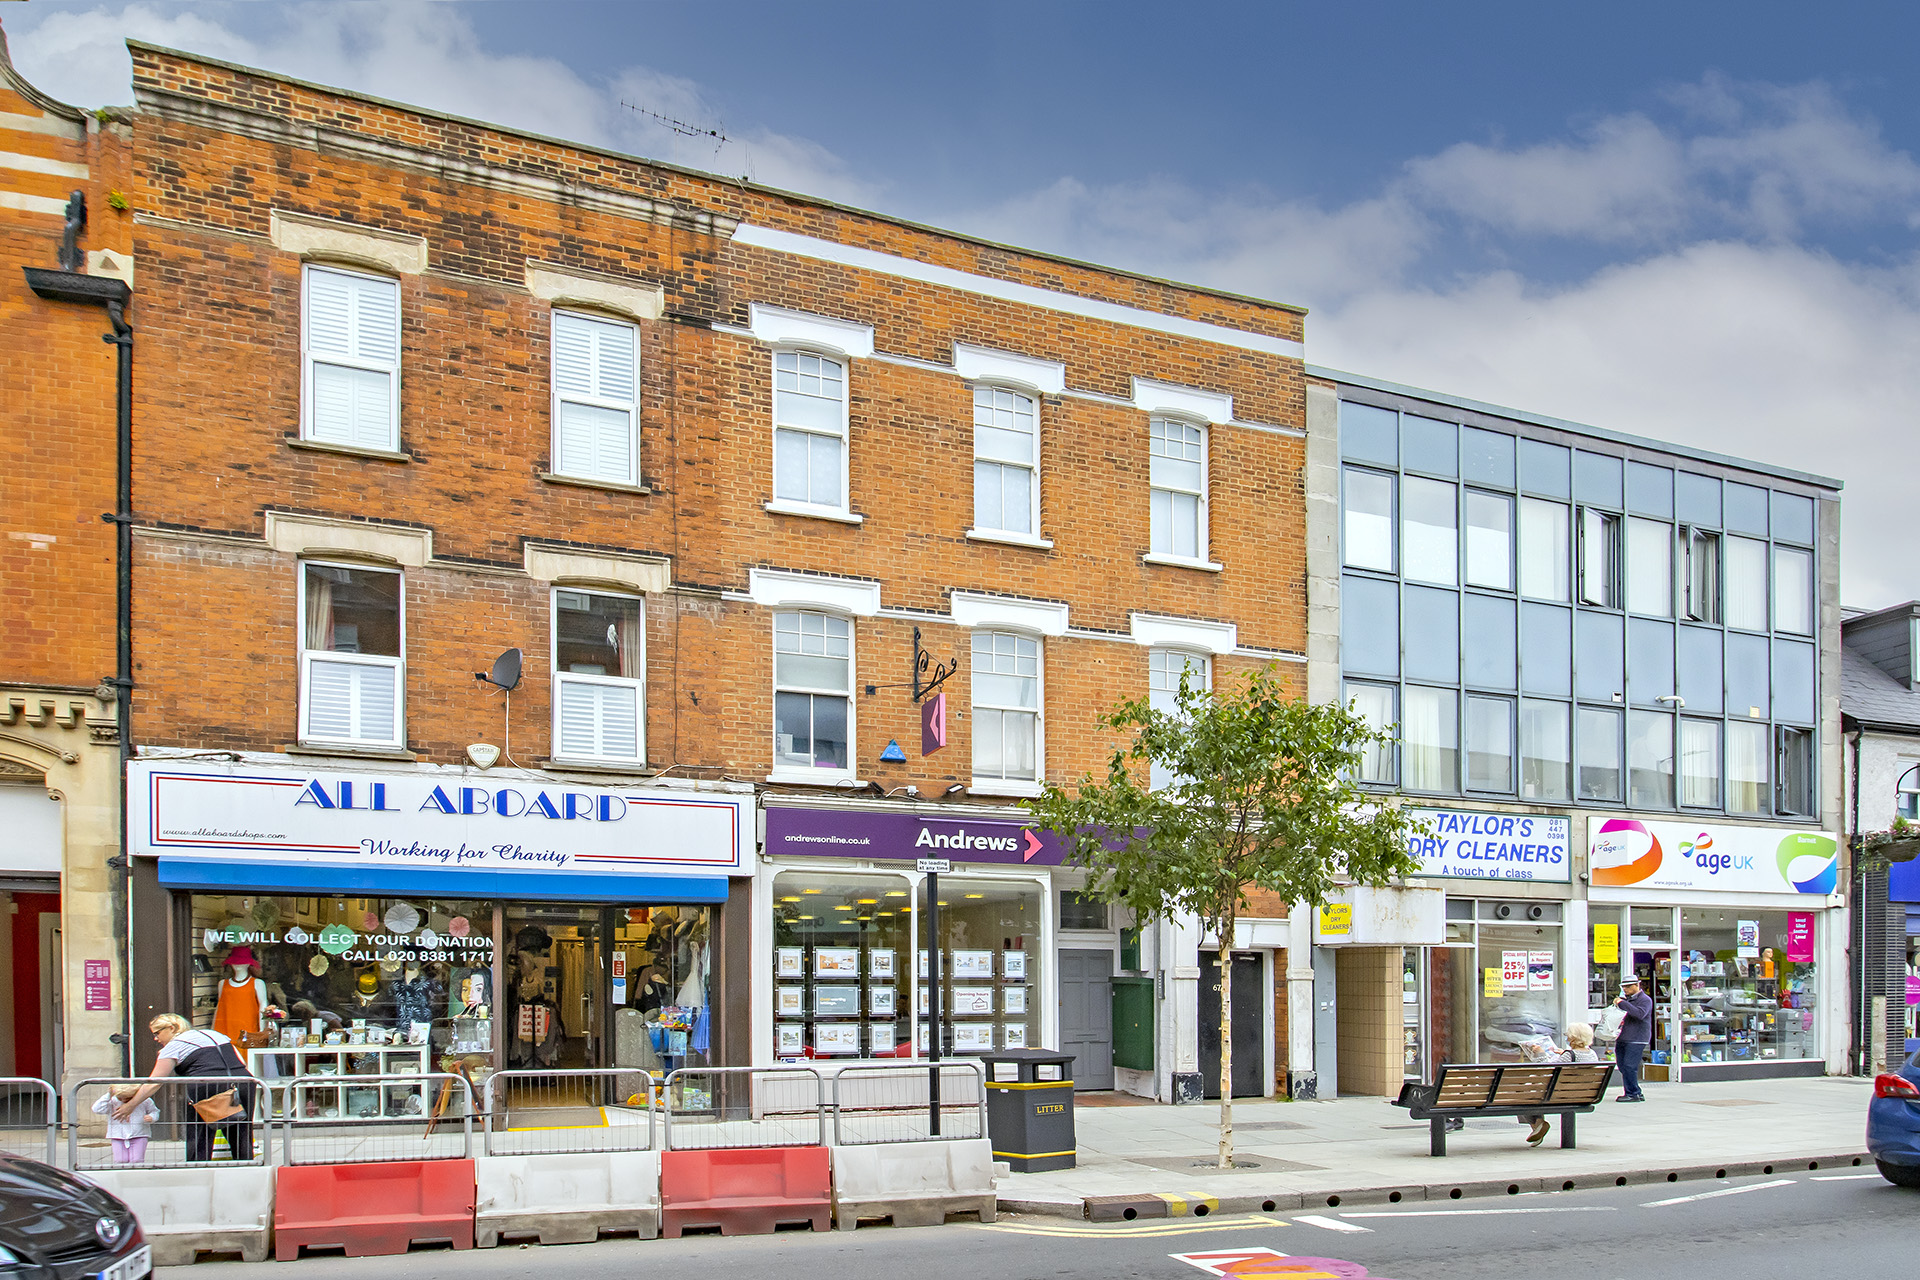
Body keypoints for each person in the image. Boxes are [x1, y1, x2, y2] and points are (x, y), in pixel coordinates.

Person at [116, 1014, 257, 1161]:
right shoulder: (216, 1034)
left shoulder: (174, 1046)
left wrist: (131, 1105)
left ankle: (198, 1169)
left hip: (207, 1086)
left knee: (199, 1135)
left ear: (172, 1028)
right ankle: (246, 1167)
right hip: (243, 1082)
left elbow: (155, 1082)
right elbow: (242, 1063)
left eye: (157, 1033)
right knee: (241, 1133)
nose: (156, 1039)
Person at [1518, 1023, 1600, 1146]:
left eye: (1568, 1034)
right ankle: (1538, 1125)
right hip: (1581, 1095)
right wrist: (1564, 1054)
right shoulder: (1592, 1054)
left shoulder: (1570, 1055)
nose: (1567, 1036)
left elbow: (1546, 1070)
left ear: (1573, 1037)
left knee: (1524, 1094)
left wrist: (1540, 1054)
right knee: (1531, 1091)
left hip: (1560, 1095)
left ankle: (1537, 1124)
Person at [91, 1083, 159, 1164]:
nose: (123, 1100)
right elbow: (97, 1109)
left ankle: (137, 1171)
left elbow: (154, 1111)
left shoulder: (144, 1101)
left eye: (128, 1098)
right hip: (117, 1135)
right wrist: (108, 1095)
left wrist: (152, 1117)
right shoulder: (112, 1101)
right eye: (120, 1098)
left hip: (139, 1134)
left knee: (137, 1160)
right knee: (120, 1160)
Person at [1613, 976, 1654, 1102]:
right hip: (1623, 1037)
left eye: (1628, 986)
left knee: (1629, 1066)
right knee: (1622, 1066)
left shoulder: (1645, 1000)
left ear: (1637, 985)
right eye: (1623, 987)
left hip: (1637, 1038)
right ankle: (1636, 1091)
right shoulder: (1627, 1000)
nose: (1625, 989)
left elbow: (1639, 1014)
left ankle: (1633, 1094)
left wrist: (1622, 1003)